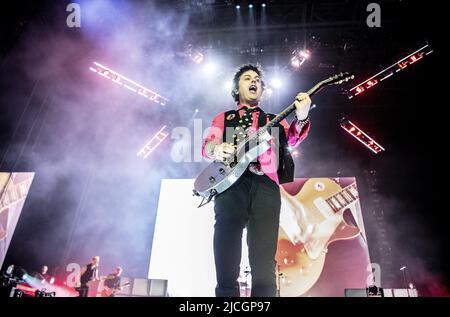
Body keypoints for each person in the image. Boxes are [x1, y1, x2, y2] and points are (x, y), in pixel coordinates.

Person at [202, 63, 312, 297]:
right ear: (237, 88)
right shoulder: (224, 117)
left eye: (257, 79)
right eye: (247, 78)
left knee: (263, 256)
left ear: (262, 89)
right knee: (226, 245)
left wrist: (301, 118)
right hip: (231, 184)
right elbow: (208, 143)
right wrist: (215, 148)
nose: (253, 81)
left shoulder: (274, 118)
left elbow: (291, 140)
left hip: (266, 185)